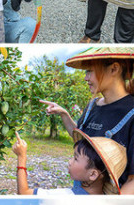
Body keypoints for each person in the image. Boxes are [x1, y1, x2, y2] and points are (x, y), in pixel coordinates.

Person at [40, 48, 134, 193]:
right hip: (82, 188)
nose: (86, 78)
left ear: (114, 69)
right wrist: (64, 114)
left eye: (90, 71)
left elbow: (132, 180)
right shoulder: (92, 106)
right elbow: (83, 143)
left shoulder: (131, 113)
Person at [13, 129, 126, 194]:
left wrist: (21, 157)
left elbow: (24, 193)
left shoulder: (66, 196)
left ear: (92, 174)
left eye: (76, 158)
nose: (69, 161)